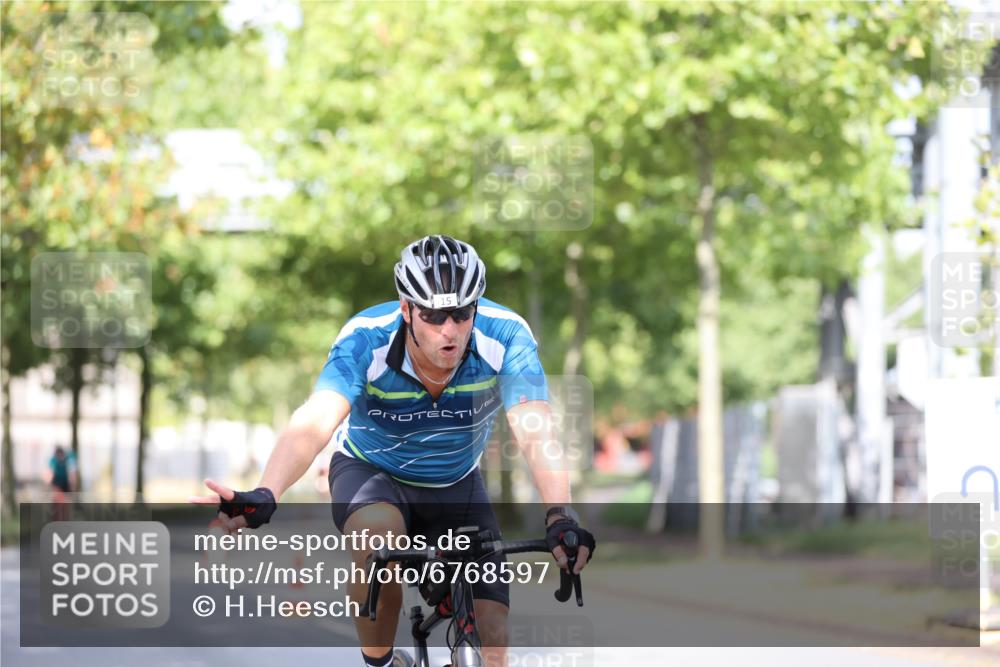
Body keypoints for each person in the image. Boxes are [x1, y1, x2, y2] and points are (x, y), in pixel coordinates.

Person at [193, 235, 596, 667]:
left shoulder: (507, 336)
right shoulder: (366, 339)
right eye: (434, 315)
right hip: (371, 473)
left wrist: (560, 514)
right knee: (376, 537)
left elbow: (536, 431)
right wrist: (267, 492)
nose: (450, 329)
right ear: (406, 309)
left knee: (493, 630)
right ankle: (381, 662)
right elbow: (315, 421)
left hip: (455, 480)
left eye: (462, 314)